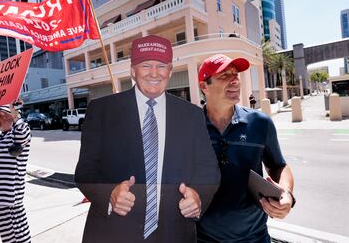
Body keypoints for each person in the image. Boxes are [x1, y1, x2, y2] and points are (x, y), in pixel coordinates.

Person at [75, 35, 220, 243]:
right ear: (133, 70)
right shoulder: (102, 111)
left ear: (170, 70)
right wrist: (109, 194)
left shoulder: (192, 115)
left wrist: (198, 196)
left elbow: (209, 170)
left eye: (161, 66)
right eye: (145, 65)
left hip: (174, 234)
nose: (154, 73)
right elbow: (85, 172)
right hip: (112, 234)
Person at [196, 54, 295, 242]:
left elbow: (279, 166)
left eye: (236, 75)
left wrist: (286, 192)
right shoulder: (189, 127)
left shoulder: (260, 122)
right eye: (224, 75)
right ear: (204, 86)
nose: (234, 80)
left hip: (254, 237)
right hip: (203, 238)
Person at [0, 103, 31, 243]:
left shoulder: (17, 135)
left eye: (0, 116)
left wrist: (16, 114)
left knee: (17, 229)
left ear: (10, 117)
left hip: (9, 196)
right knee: (5, 229)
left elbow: (22, 133)